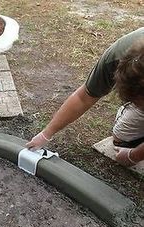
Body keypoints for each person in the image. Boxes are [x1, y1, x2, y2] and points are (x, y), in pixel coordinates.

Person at [26, 28, 144, 167]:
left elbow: (134, 155)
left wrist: (133, 155)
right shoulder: (117, 56)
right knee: (123, 140)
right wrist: (45, 134)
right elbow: (83, 97)